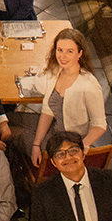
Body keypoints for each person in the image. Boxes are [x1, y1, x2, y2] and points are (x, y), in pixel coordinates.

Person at [29, 29, 106, 168]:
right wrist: (36, 143)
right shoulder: (56, 71)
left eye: (69, 51)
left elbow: (100, 125)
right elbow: (47, 112)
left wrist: (83, 146)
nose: (62, 56)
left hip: (69, 142)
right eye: (60, 50)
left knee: (15, 138)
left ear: (80, 53)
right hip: (54, 131)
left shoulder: (89, 85)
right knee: (10, 125)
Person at [29, 131, 112, 221]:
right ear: (53, 162)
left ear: (83, 154)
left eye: (73, 151)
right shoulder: (42, 193)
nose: (68, 157)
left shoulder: (111, 180)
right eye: (60, 154)